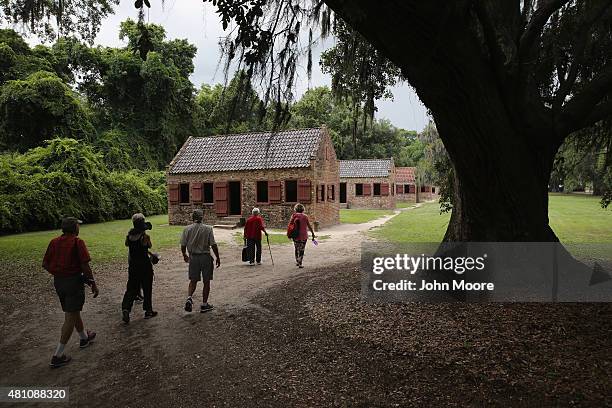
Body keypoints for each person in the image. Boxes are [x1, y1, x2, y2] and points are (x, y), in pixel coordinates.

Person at [43, 217, 98, 368]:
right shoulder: (77, 242)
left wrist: (58, 272)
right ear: (74, 228)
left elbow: (45, 264)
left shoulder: (54, 242)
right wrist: (92, 282)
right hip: (73, 282)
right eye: (78, 226)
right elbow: (85, 265)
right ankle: (58, 355)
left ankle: (84, 338)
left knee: (72, 311)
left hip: (59, 282)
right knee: (70, 316)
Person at [182, 209, 221, 313]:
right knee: (206, 281)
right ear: (202, 217)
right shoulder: (208, 229)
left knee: (193, 280)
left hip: (193, 258)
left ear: (193, 218)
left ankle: (189, 298)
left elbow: (183, 245)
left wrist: (184, 254)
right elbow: (213, 245)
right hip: (205, 257)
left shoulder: (187, 229)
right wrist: (217, 257)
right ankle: (204, 304)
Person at [121, 213, 157, 323]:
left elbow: (128, 245)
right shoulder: (144, 237)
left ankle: (126, 308)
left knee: (131, 287)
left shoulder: (130, 236)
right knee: (147, 287)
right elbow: (148, 246)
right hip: (144, 265)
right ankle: (148, 310)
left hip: (133, 265)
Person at [289, 203, 316, 268]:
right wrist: (312, 233)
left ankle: (297, 261)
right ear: (303, 209)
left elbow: (290, 225)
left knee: (296, 248)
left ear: (295, 209)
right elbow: (309, 226)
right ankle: (300, 262)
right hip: (304, 236)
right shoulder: (305, 216)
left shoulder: (293, 216)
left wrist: (289, 233)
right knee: (302, 249)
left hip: (295, 235)